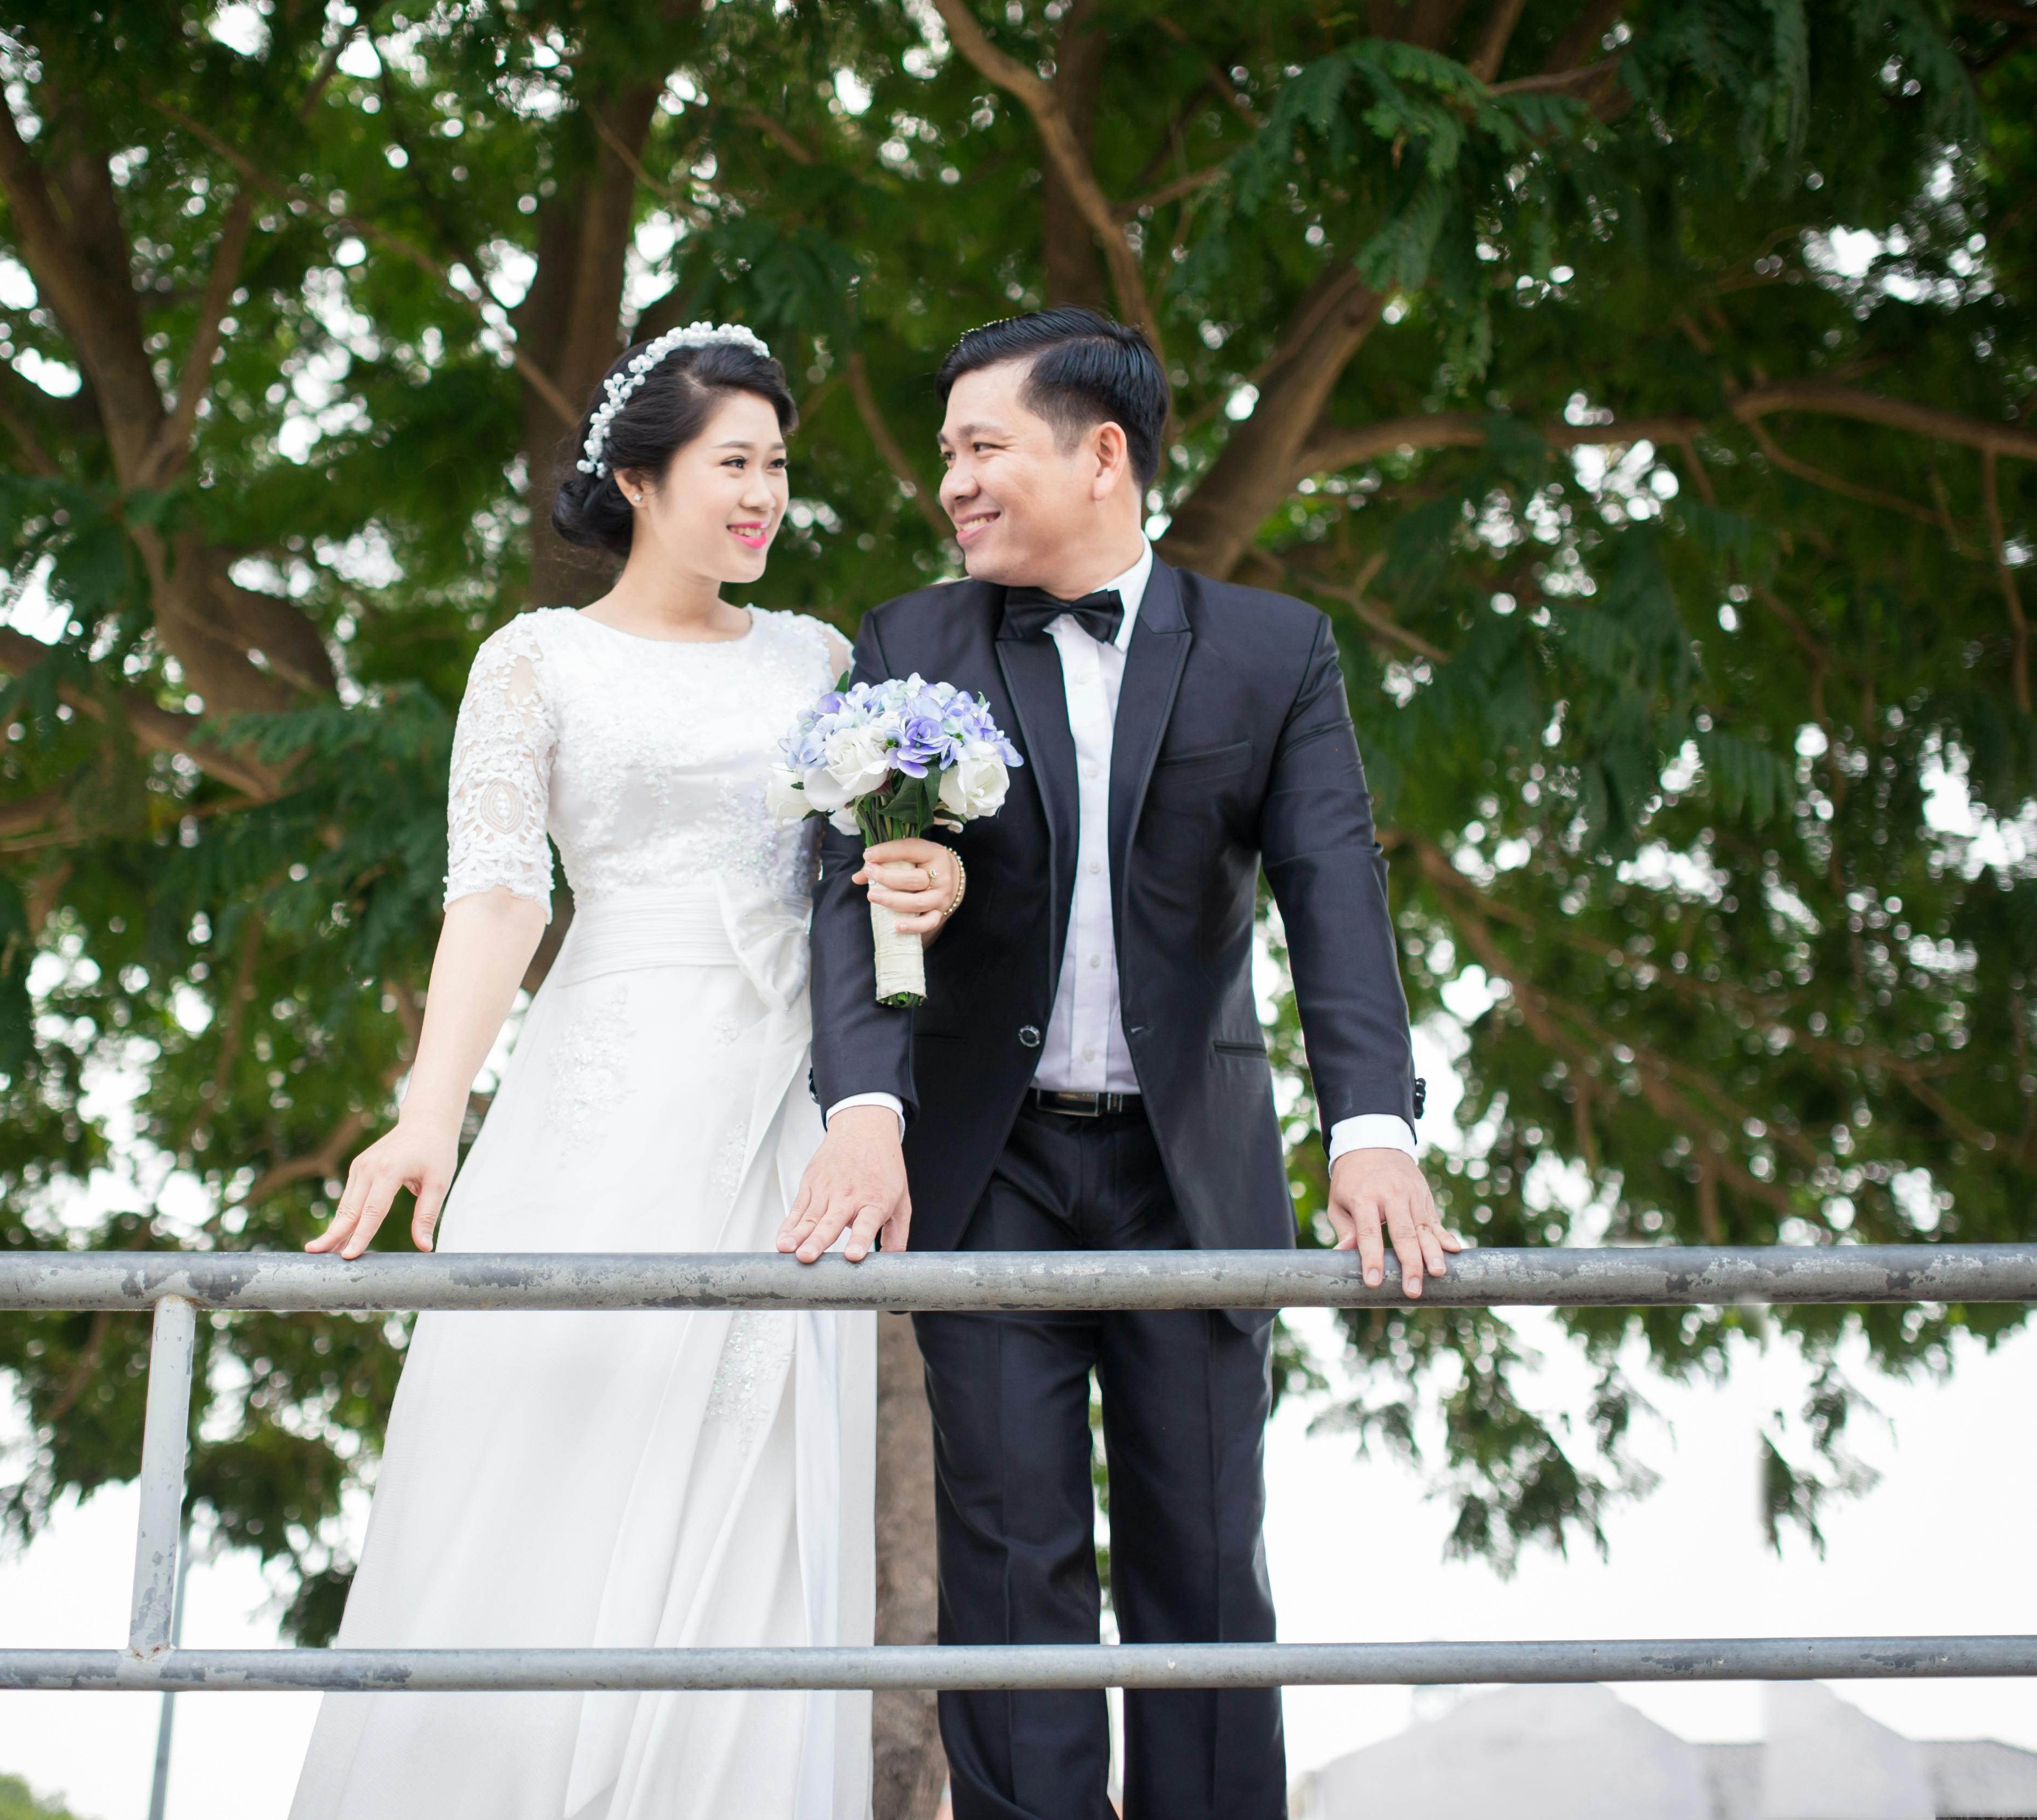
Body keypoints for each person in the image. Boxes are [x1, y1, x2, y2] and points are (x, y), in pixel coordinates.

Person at [787, 308, 1461, 1820]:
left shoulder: (1274, 653)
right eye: (947, 451)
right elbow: (859, 884)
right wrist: (870, 1107)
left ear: (1103, 454)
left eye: (982, 447)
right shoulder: (913, 641)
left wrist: (1373, 1128)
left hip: (1192, 1173)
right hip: (988, 1164)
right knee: (1014, 1562)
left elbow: (1334, 889)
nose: (952, 481)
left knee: (1205, 1562)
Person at [288, 324, 963, 1819]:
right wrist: (424, 1110)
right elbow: (500, 894)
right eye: (735, 462)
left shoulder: (824, 662)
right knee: (556, 1457)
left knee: (761, 1496)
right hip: (605, 1093)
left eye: (780, 466)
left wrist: (930, 886)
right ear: (639, 475)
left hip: (785, 1112)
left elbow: (863, 884)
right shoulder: (536, 661)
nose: (764, 494)